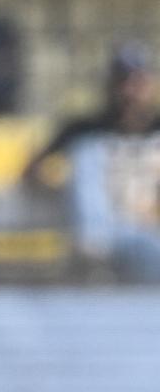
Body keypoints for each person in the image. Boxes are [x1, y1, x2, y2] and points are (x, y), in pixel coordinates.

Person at [24, 43, 160, 283]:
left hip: (149, 235)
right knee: (88, 152)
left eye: (137, 82)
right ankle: (96, 247)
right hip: (97, 235)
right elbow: (32, 171)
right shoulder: (84, 129)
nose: (130, 91)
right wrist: (64, 192)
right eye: (123, 82)